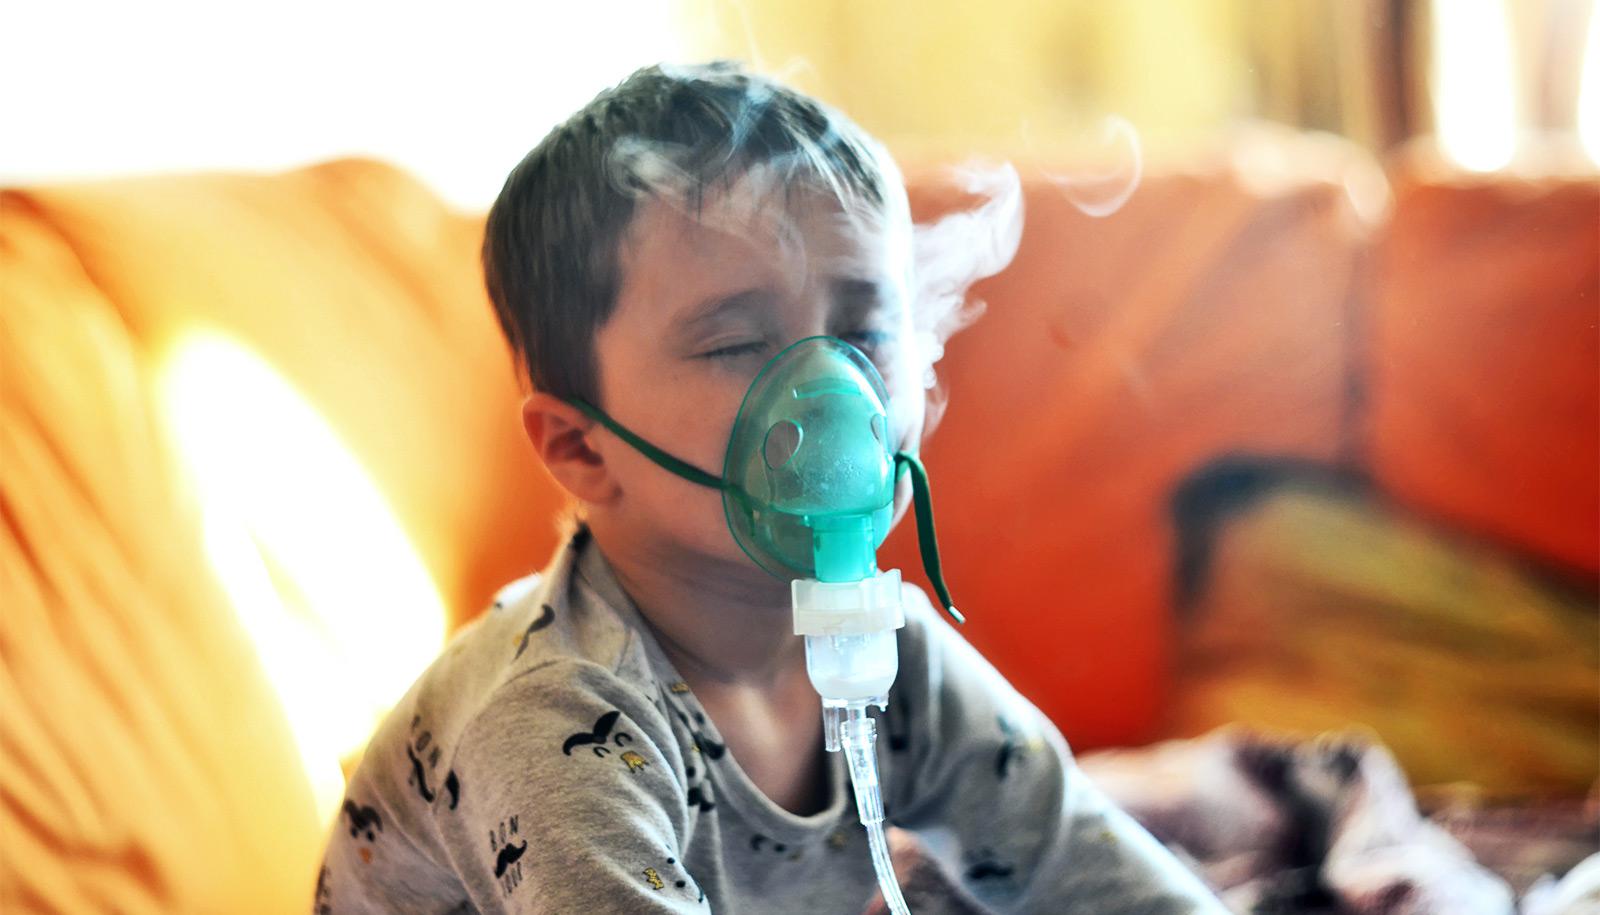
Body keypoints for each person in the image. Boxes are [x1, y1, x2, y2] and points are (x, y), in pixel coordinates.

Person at [314, 61, 1225, 914]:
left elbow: (1096, 869)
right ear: (581, 448)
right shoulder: (559, 730)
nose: (830, 390)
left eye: (865, 331)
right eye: (737, 344)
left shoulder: (889, 657)